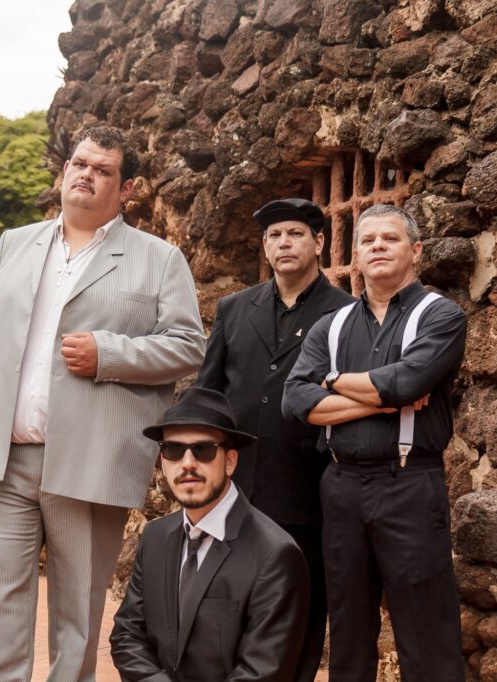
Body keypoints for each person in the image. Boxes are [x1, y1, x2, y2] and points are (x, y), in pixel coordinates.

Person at [0, 125, 205, 680]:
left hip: (91, 460)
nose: (85, 174)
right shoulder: (15, 243)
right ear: (64, 172)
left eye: (102, 169)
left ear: (126, 187)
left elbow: (187, 345)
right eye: (78, 163)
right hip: (3, 459)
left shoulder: (159, 259)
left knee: (77, 620)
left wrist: (108, 353)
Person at [283, 204, 467, 681]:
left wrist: (333, 382)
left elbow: (408, 381)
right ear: (357, 256)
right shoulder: (333, 324)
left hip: (409, 484)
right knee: (347, 630)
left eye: (391, 238)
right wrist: (380, 398)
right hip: (340, 485)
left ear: (416, 250)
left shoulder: (441, 316)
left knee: (426, 633)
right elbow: (296, 400)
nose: (378, 247)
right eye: (368, 241)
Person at [196, 197, 354, 680]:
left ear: (319, 242)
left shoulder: (346, 313)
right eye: (275, 236)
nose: (284, 243)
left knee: (299, 613)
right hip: (235, 488)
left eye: (296, 234)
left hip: (308, 488)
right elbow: (208, 393)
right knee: (225, 608)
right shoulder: (234, 307)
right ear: (265, 247)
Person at [110, 387, 310, 681]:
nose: (187, 463)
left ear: (230, 461)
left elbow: (263, 672)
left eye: (203, 450)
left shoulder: (275, 555)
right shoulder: (155, 537)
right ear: (163, 462)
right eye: (174, 450)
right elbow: (127, 635)